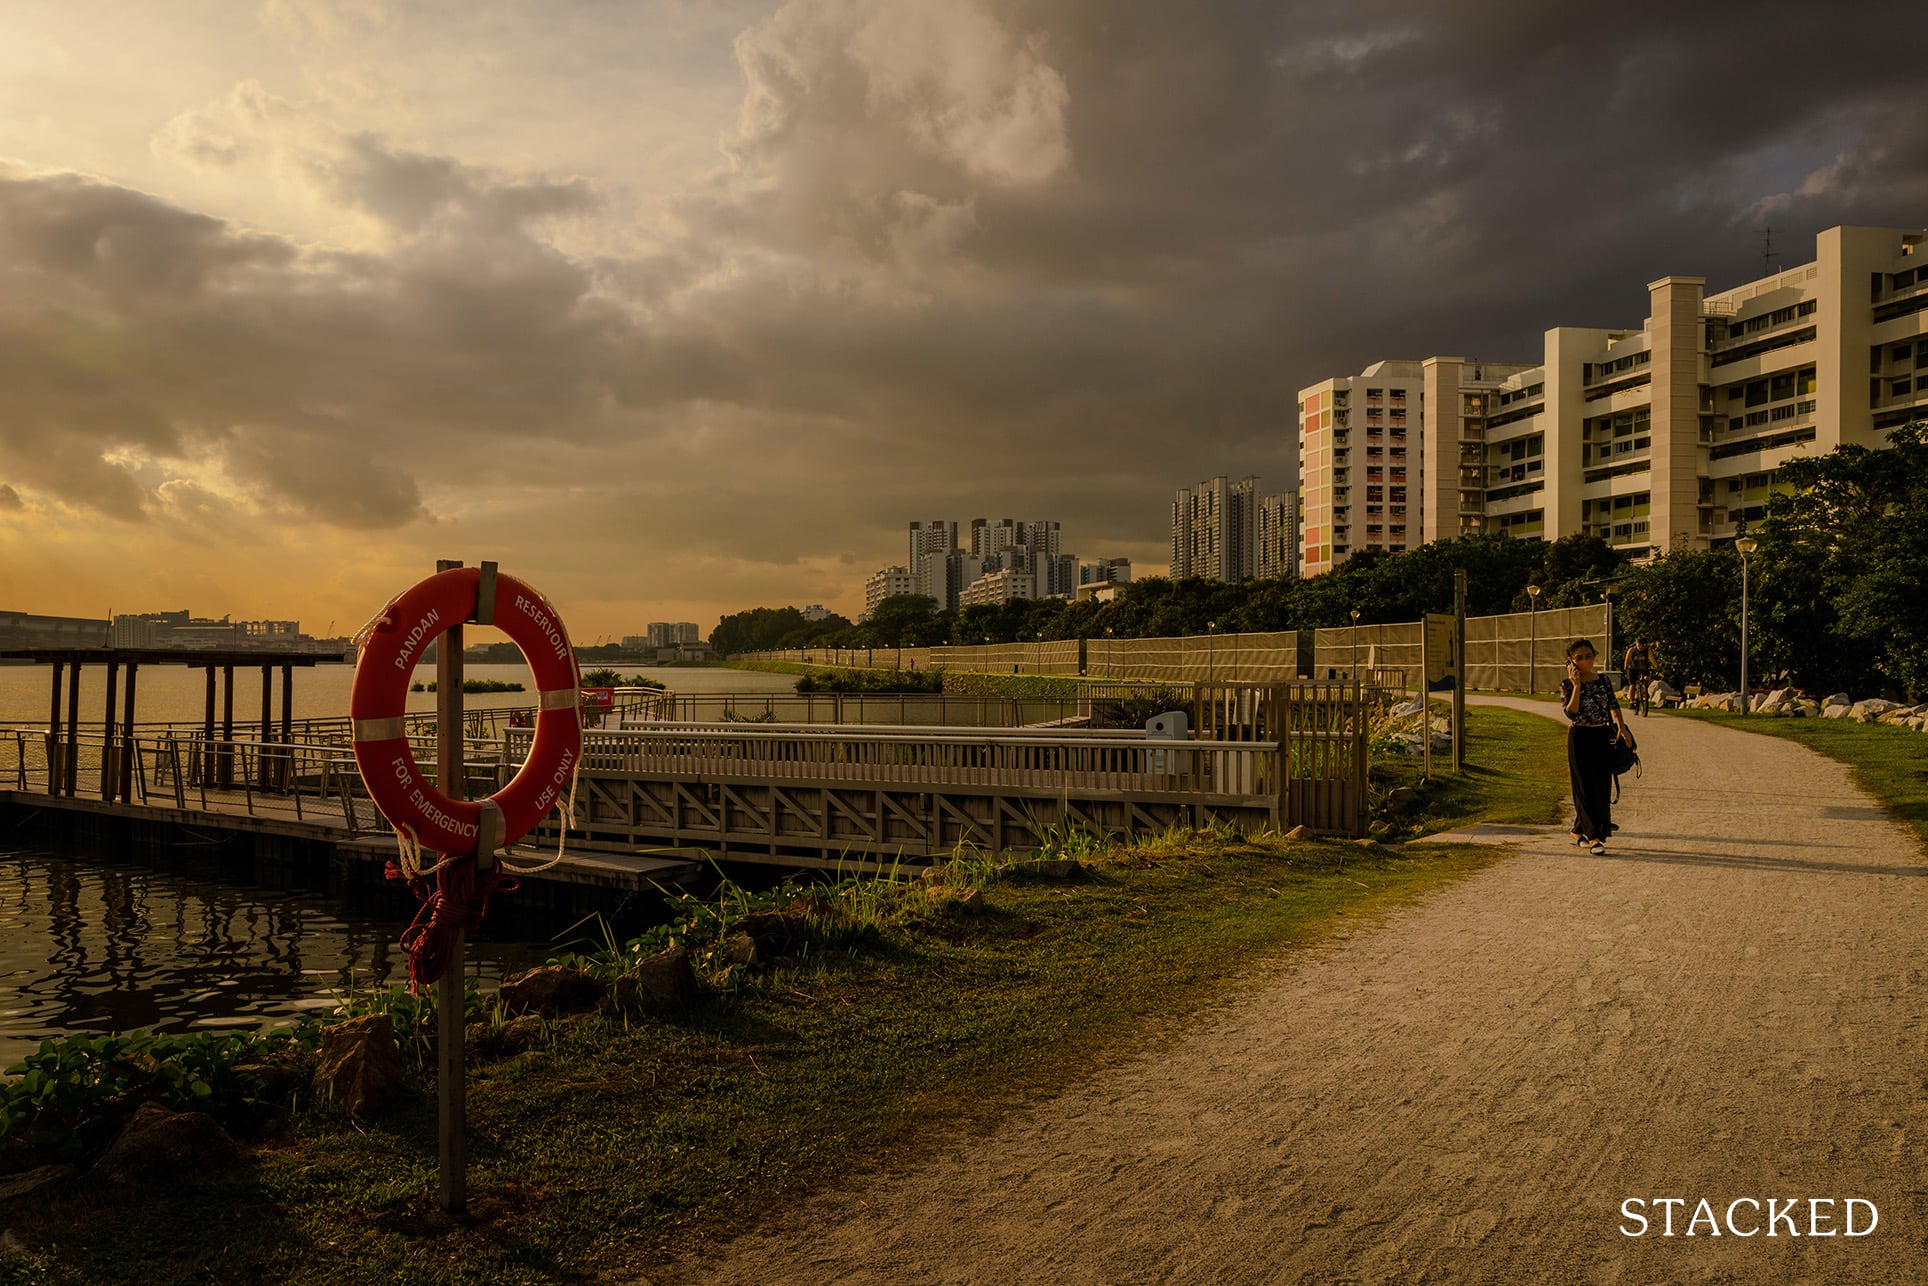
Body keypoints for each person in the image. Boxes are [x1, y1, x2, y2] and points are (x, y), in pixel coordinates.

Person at [1561, 638, 1632, 856]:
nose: (1585, 661)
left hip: (1602, 735)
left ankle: (1578, 830)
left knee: (1601, 785)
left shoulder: (1603, 680)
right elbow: (1570, 712)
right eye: (1579, 658)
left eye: (1588, 656)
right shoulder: (1567, 684)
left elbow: (1613, 704)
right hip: (1580, 736)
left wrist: (1622, 728)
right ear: (1572, 661)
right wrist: (1577, 686)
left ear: (1594, 656)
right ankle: (1594, 837)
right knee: (1583, 786)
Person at [1623, 639, 1653, 715]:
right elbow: (1627, 659)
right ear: (1636, 644)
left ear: (1645, 645)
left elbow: (1652, 659)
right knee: (1632, 685)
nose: (1640, 647)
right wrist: (1626, 666)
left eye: (1642, 645)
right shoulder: (1632, 650)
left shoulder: (1647, 651)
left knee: (1647, 679)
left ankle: (1643, 692)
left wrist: (1656, 666)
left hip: (1643, 668)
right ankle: (1631, 701)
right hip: (1632, 669)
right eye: (1639, 645)